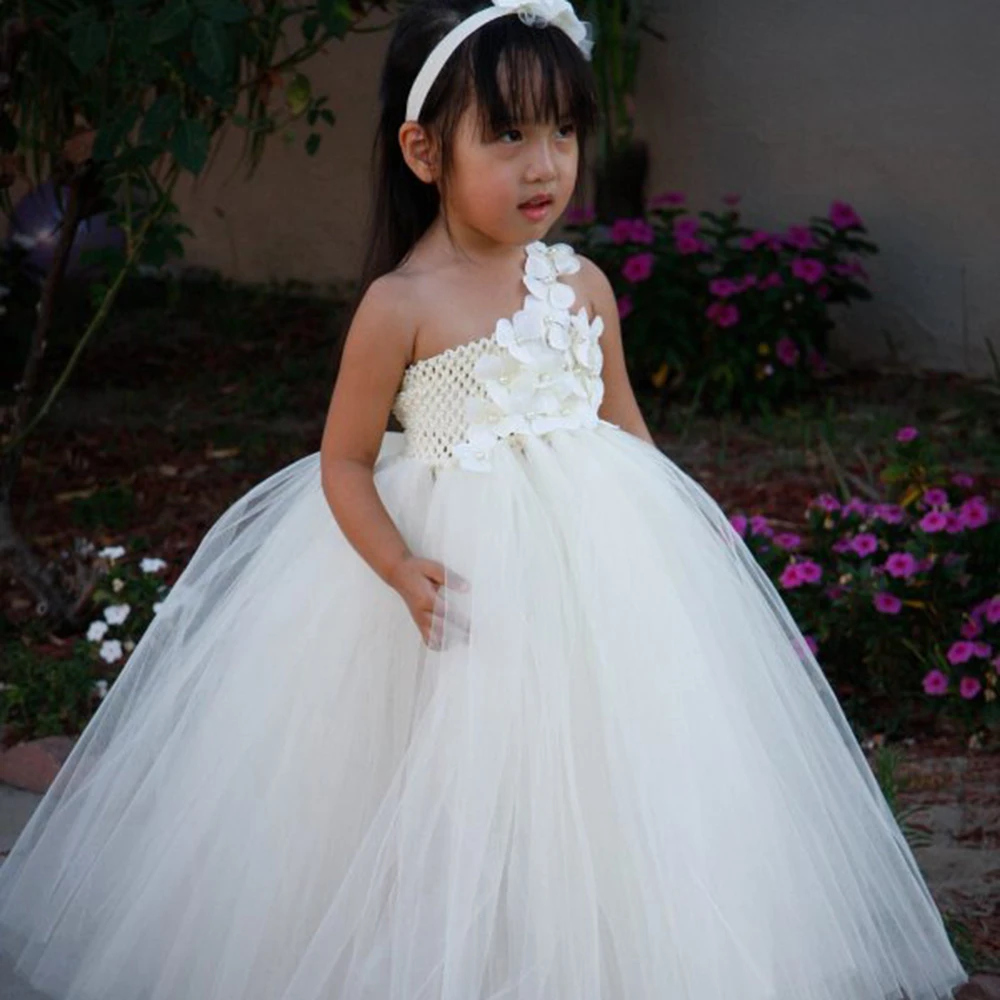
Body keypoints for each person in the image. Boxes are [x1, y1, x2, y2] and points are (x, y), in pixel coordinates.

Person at [0, 2, 972, 998]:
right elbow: (342, 461)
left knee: (601, 769)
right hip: (456, 581)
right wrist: (396, 566)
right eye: (507, 134)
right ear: (424, 150)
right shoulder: (401, 305)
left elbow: (626, 426)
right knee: (445, 773)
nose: (545, 163)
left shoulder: (581, 283)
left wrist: (678, 546)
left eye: (562, 130)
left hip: (593, 571)